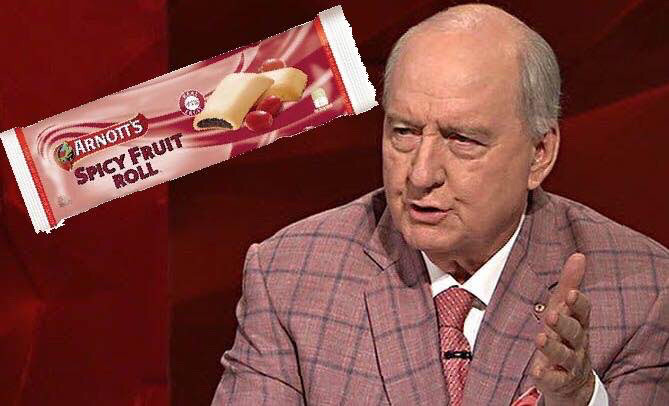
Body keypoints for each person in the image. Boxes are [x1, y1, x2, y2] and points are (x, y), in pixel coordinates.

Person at [211, 3, 669, 405]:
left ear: (539, 154)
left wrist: (579, 401)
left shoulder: (644, 291)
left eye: (462, 139)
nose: (420, 174)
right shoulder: (290, 276)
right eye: (404, 132)